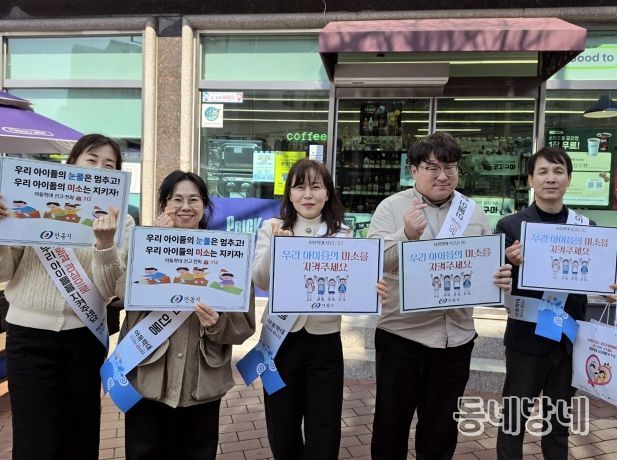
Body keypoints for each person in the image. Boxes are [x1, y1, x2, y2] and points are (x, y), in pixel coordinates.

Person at [367, 132, 513, 460]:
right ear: (413, 170)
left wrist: (500, 276)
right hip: (402, 337)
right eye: (432, 168)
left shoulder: (472, 212)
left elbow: (485, 267)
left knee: (441, 430)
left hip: (456, 339)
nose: (443, 176)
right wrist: (406, 234)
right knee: (391, 426)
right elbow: (374, 262)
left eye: (450, 167)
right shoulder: (391, 207)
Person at [0, 133, 134, 460]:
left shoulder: (123, 221)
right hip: (29, 339)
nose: (99, 169)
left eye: (109, 165)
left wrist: (105, 245)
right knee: (34, 442)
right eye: (92, 160)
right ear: (72, 163)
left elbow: (112, 290)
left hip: (84, 339)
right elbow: (4, 271)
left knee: (80, 437)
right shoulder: (29, 203)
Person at [252, 158, 387, 460]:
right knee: (281, 420)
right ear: (289, 194)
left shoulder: (342, 234)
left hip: (325, 341)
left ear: (327, 193)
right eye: (299, 187)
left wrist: (371, 290)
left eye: (316, 186)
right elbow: (259, 280)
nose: (308, 194)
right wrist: (275, 249)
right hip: (278, 340)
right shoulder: (271, 228)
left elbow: (352, 284)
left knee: (324, 422)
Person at [119, 170, 255, 460]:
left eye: (194, 199)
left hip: (201, 383)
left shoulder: (227, 254)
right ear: (164, 204)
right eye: (177, 199)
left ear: (204, 205)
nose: (186, 206)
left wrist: (217, 324)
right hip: (148, 377)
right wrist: (151, 241)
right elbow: (120, 293)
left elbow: (244, 326)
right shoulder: (143, 242)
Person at [495, 147, 617, 459]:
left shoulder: (586, 227)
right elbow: (495, 280)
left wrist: (608, 286)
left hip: (568, 340)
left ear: (569, 179)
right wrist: (508, 263)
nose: (551, 178)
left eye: (558, 172)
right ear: (530, 180)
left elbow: (598, 276)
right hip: (526, 341)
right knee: (513, 423)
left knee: (558, 425)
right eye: (543, 172)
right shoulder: (511, 227)